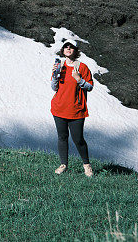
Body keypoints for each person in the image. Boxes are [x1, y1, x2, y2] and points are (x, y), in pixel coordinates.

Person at [50, 39, 94, 176]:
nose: (68, 49)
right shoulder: (59, 65)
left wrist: (79, 79)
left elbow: (90, 87)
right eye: (66, 47)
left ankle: (87, 165)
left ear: (75, 50)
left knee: (78, 139)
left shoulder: (82, 68)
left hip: (76, 109)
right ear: (62, 50)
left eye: (71, 47)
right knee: (62, 137)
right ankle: (63, 164)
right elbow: (53, 87)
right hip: (59, 107)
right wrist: (55, 76)